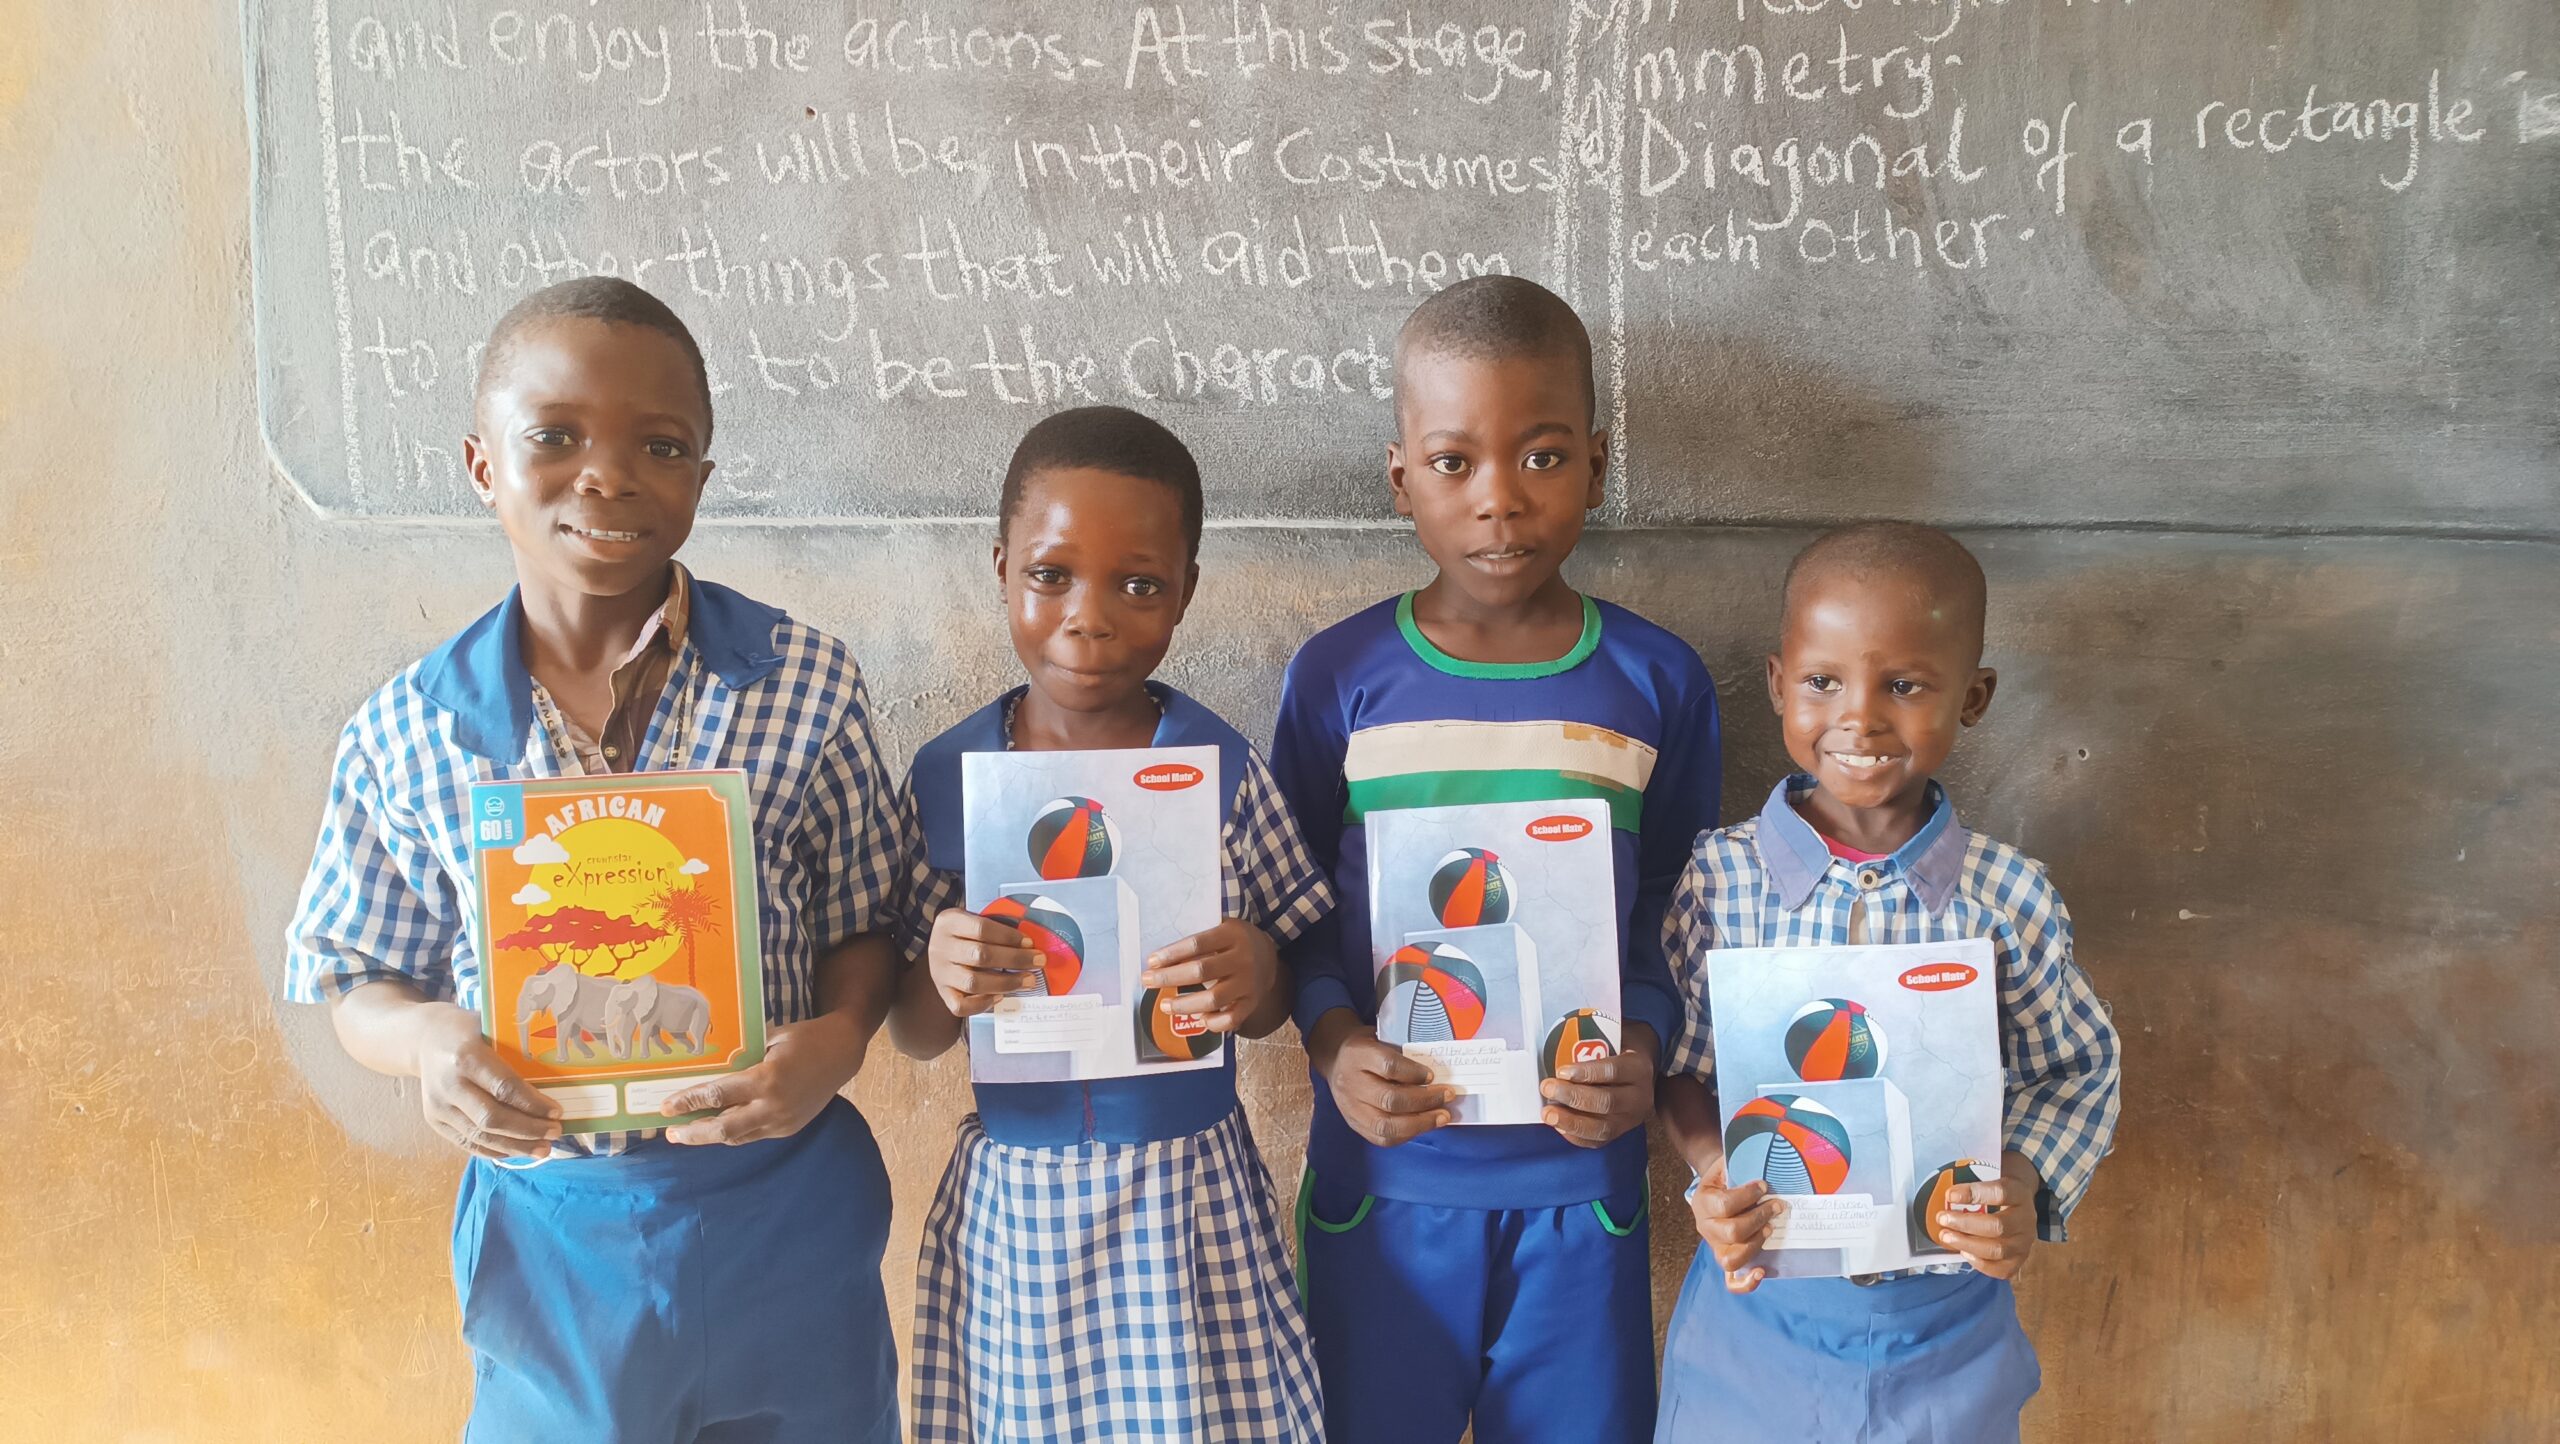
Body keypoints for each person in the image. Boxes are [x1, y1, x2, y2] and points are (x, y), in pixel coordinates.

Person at [282, 277, 905, 1443]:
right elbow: (353, 972)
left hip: (783, 1207)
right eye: (554, 438)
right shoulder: (408, 729)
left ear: (701, 480)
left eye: (658, 445)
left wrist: (835, 1037)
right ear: (482, 466)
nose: (606, 476)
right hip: (548, 1229)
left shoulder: (804, 684)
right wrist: (428, 1042)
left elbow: (866, 920)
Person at [1271, 276, 1723, 1444]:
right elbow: (1297, 904)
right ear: (1399, 474)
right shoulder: (1338, 677)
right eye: (1455, 461)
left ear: (1599, 464)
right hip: (1384, 1185)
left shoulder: (1657, 681)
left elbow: (1677, 905)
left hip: (1579, 1189)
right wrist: (1334, 1039)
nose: (1499, 503)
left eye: (1542, 457)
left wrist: (1646, 1038)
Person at [890, 406, 1333, 1442]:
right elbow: (914, 1031)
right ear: (1001, 568)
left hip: (1187, 1192)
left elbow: (1279, 985)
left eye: (1138, 584)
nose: (1089, 618)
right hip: (1019, 1200)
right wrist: (942, 972)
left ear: (1185, 593)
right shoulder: (950, 777)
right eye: (1051, 575)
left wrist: (1256, 969)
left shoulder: (1216, 767)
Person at [1656, 522, 2123, 1444]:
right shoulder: (1717, 882)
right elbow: (1675, 1061)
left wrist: (2021, 1183)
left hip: (1948, 1332)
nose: (1860, 719)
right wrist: (1715, 1171)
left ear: (1974, 698)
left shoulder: (2008, 898)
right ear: (1780, 684)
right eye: (1824, 682)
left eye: (1905, 686)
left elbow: (2075, 1072)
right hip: (1757, 1318)